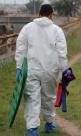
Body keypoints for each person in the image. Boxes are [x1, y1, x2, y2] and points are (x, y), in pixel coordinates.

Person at [15, 4, 68, 136]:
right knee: (48, 97)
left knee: (32, 98)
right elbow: (62, 52)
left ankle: (32, 129)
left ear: (39, 13)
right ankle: (49, 123)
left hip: (32, 70)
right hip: (50, 70)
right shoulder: (57, 30)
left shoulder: (27, 28)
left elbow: (20, 48)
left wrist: (19, 67)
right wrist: (64, 70)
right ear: (51, 15)